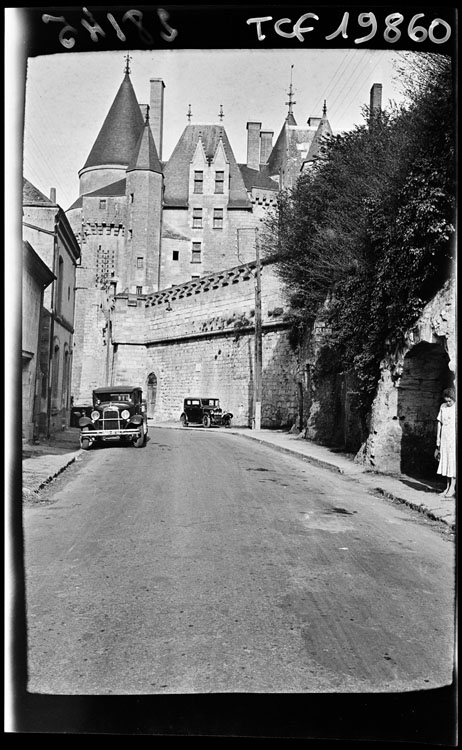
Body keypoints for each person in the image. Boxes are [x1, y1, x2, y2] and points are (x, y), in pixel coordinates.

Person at [435, 387, 456, 498]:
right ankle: (447, 486)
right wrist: (438, 440)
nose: (448, 403)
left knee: (452, 462)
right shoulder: (443, 407)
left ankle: (452, 487)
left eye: (450, 401)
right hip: (445, 437)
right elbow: (440, 423)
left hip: (453, 438)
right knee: (446, 461)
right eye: (446, 400)